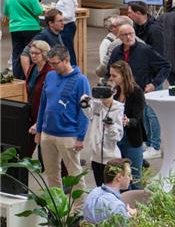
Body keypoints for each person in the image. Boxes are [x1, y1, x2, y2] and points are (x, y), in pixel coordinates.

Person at [108, 23, 170, 160]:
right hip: (122, 93)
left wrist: (154, 83)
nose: (129, 37)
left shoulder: (145, 50)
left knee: (149, 116)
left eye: (131, 33)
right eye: (125, 35)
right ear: (119, 37)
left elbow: (165, 66)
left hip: (140, 91)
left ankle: (154, 146)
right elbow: (109, 70)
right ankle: (138, 148)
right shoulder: (116, 51)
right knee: (128, 120)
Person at [30, 46, 89, 190]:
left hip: (68, 135)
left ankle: (79, 208)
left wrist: (81, 137)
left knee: (75, 174)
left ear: (66, 60)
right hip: (47, 133)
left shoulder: (81, 81)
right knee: (51, 174)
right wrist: (39, 131)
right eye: (51, 63)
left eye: (55, 63)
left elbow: (85, 112)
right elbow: (43, 105)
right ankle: (57, 205)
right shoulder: (50, 76)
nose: (52, 67)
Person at [82, 159, 138, 227]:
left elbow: (102, 220)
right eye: (129, 175)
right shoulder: (117, 206)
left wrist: (126, 215)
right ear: (119, 177)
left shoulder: (93, 194)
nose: (131, 178)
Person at [109, 61, 146, 190]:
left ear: (124, 76)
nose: (111, 79)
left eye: (114, 76)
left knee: (135, 178)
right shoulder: (115, 92)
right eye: (111, 75)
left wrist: (128, 121)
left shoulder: (137, 92)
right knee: (121, 178)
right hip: (117, 139)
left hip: (132, 140)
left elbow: (137, 119)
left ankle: (137, 207)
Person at [81, 84, 125, 186]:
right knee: (99, 187)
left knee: (111, 188)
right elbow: (88, 114)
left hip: (111, 158)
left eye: (106, 92)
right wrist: (85, 103)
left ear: (114, 92)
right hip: (96, 157)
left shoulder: (118, 109)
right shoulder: (97, 105)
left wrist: (110, 127)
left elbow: (118, 137)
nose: (103, 98)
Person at [4, 0, 44, 79]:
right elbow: (38, 11)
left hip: (15, 28)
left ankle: (18, 78)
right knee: (32, 53)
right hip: (31, 27)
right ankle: (31, 77)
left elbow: (6, 12)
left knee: (17, 53)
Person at [23, 42, 52, 159]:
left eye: (36, 53)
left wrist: (40, 120)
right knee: (25, 150)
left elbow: (50, 99)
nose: (33, 56)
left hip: (45, 116)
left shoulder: (50, 72)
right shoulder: (32, 68)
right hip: (31, 114)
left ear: (44, 54)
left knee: (45, 156)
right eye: (31, 53)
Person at [52, 0, 78, 66]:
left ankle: (73, 70)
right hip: (64, 26)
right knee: (65, 50)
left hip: (67, 26)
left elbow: (69, 14)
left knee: (68, 50)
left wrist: (56, 15)